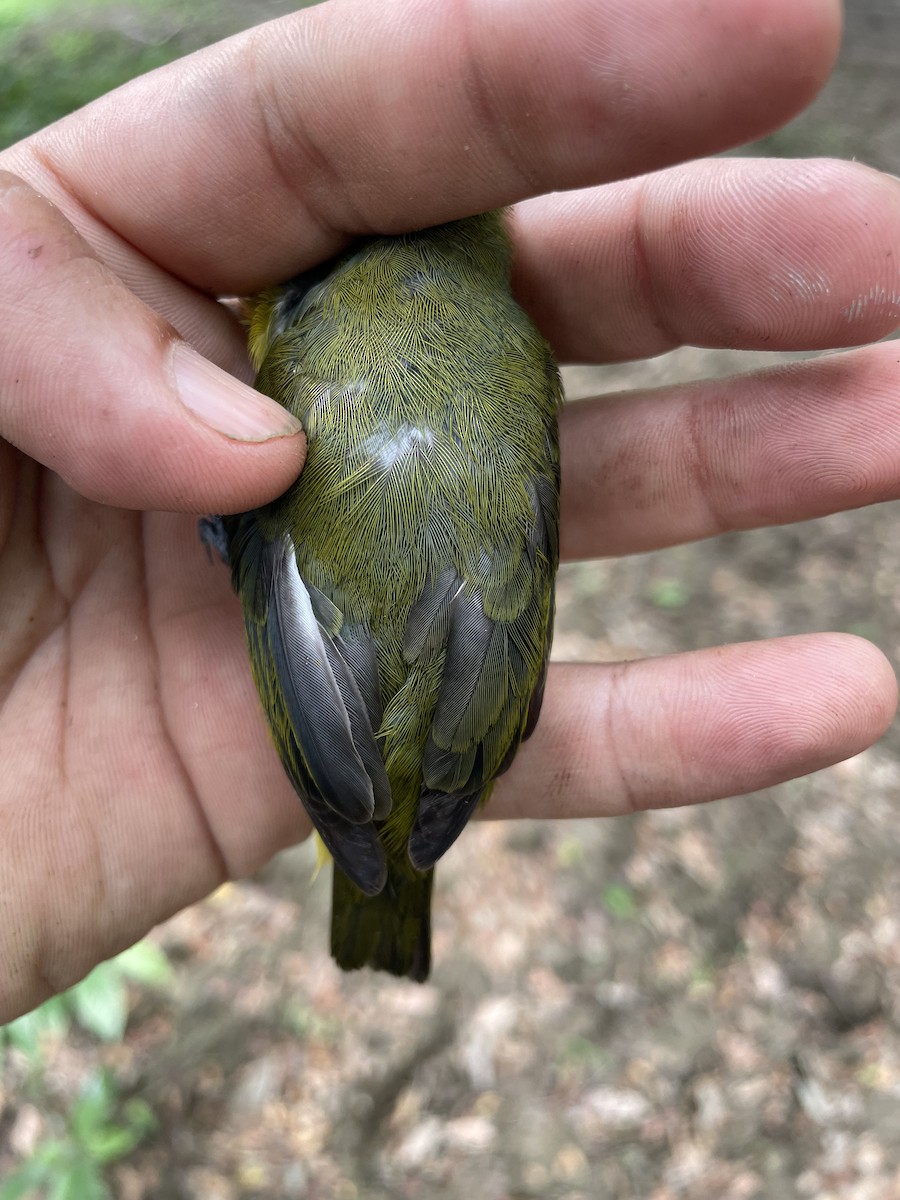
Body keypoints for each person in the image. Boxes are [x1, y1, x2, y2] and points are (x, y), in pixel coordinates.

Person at [0, 0, 895, 1021]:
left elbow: (275, 550)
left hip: (335, 711)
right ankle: (390, 897)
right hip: (444, 713)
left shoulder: (299, 333)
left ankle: (384, 891)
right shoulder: (507, 345)